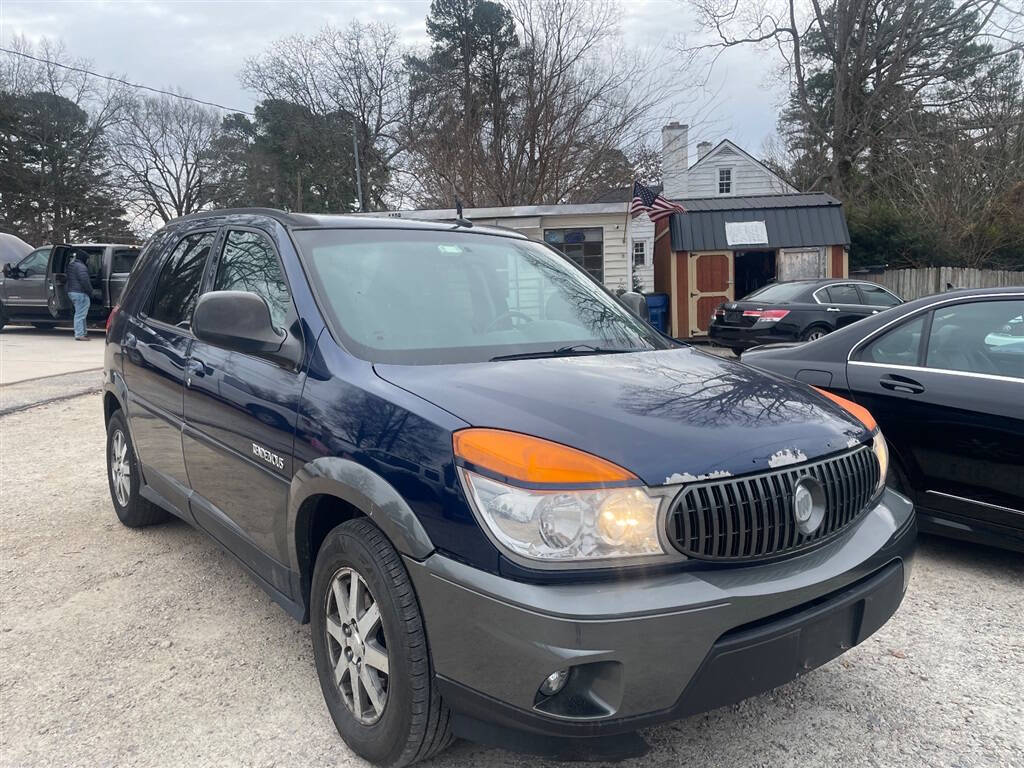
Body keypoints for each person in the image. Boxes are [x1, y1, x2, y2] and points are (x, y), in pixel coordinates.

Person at [66, 250, 92, 341]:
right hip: (80, 293)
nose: (88, 261)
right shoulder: (81, 267)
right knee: (80, 315)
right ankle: (79, 334)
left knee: (81, 314)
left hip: (72, 292)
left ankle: (83, 333)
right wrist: (90, 291)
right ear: (84, 258)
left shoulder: (71, 265)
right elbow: (85, 281)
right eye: (88, 259)